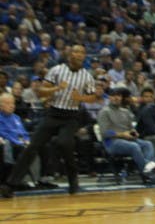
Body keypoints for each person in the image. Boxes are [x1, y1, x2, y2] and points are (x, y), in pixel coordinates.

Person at [2, 44, 98, 197]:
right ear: (70, 55)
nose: (79, 54)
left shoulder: (87, 76)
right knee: (32, 147)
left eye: (82, 52)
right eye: (76, 51)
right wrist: (56, 88)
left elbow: (94, 98)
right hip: (53, 114)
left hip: (72, 116)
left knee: (64, 143)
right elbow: (41, 91)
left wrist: (81, 98)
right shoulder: (57, 70)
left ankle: (73, 181)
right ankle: (10, 185)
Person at [97, 87, 155, 182]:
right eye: (113, 96)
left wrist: (134, 132)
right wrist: (122, 134)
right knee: (134, 146)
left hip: (127, 139)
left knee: (147, 144)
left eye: (118, 96)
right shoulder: (104, 112)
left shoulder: (125, 111)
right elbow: (105, 133)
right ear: (109, 98)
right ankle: (149, 171)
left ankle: (148, 170)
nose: (116, 98)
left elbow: (130, 128)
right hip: (112, 142)